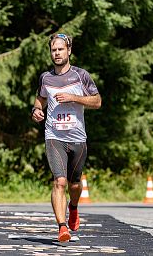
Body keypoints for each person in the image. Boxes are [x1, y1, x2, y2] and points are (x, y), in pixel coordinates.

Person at [31, 33, 101, 242]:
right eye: (54, 50)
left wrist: (73, 97)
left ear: (69, 50)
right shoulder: (46, 78)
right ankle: (62, 227)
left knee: (74, 183)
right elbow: (40, 99)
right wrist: (36, 110)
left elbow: (97, 102)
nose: (57, 53)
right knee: (59, 181)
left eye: (61, 49)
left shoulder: (81, 76)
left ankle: (74, 207)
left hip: (78, 137)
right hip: (54, 136)